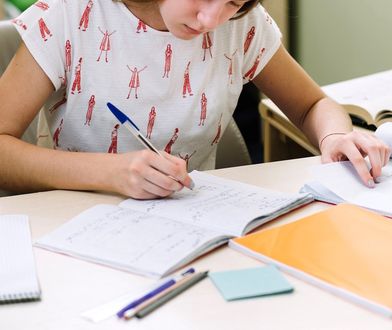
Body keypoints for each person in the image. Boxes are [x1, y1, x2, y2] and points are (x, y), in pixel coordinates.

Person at [0, 0, 390, 200]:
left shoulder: (241, 27)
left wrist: (335, 135)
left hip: (194, 231)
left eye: (234, 2)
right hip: (72, 224)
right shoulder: (70, 17)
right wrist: (110, 172)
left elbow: (310, 106)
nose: (210, 20)